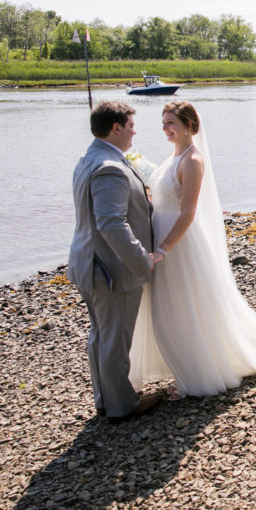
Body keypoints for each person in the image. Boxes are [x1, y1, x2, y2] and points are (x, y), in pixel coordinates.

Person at [128, 101, 256, 398]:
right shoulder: (173, 156)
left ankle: (195, 371)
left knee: (183, 306)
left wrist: (164, 249)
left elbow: (188, 212)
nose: (166, 128)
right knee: (166, 306)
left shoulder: (193, 160)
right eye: (163, 123)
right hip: (160, 233)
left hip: (178, 242)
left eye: (171, 123)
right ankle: (178, 363)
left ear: (189, 126)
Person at [68, 100, 165, 423]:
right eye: (132, 126)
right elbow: (111, 223)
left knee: (100, 334)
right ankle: (122, 406)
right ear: (116, 128)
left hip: (86, 262)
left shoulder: (88, 157)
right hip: (110, 269)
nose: (135, 132)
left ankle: (104, 399)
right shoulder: (110, 166)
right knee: (114, 339)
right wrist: (141, 259)